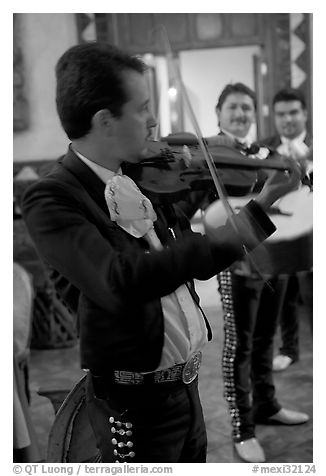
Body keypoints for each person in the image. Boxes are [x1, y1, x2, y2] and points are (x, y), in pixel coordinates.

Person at [21, 45, 301, 463]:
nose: (154, 121)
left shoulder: (139, 177)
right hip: (134, 408)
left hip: (186, 392)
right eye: (143, 107)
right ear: (105, 121)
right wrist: (198, 236)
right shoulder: (52, 198)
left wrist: (261, 205)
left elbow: (202, 262)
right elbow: (121, 279)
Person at [206, 83, 309, 463]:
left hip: (274, 255)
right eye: (233, 107)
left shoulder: (265, 153)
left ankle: (267, 405)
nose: (241, 114)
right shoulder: (209, 154)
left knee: (267, 336)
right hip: (236, 260)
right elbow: (211, 212)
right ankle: (241, 427)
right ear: (219, 113)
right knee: (239, 345)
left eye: (247, 108)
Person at [262, 88, 313, 372]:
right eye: (281, 114)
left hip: (313, 234)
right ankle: (289, 349)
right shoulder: (262, 149)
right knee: (284, 297)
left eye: (293, 112)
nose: (288, 119)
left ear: (304, 114)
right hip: (279, 233)